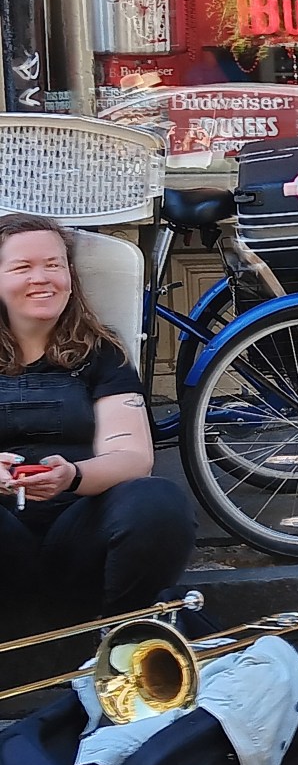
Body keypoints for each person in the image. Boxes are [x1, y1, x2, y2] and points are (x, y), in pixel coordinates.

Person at [0, 213, 194, 618]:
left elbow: (132, 456)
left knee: (157, 500)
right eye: (23, 267)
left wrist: (73, 475)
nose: (43, 278)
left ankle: (125, 641)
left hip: (78, 531)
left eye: (54, 265)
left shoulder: (102, 353)